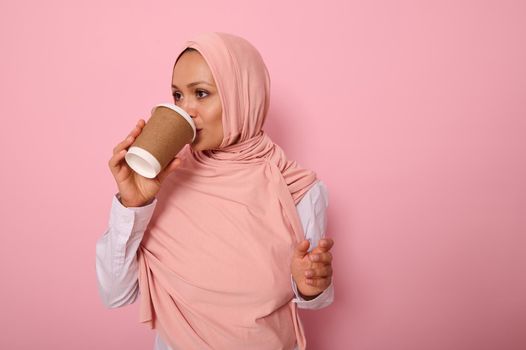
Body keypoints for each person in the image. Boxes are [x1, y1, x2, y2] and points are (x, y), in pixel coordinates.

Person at [96, 32, 335, 350]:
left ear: (243, 97)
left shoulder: (299, 190)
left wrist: (310, 286)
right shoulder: (164, 179)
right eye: (178, 96)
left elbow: (312, 295)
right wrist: (133, 203)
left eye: (201, 93)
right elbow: (115, 295)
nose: (187, 110)